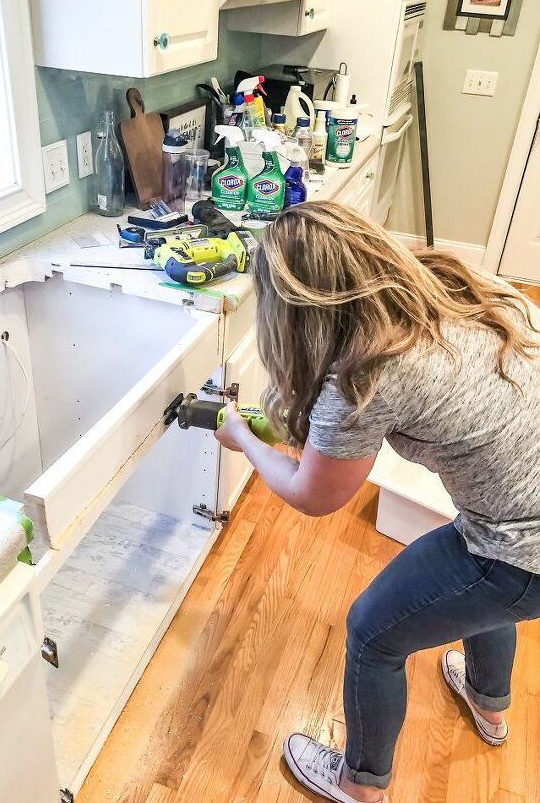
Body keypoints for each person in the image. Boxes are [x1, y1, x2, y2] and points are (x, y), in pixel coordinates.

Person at [214, 201, 540, 803]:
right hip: (521, 524)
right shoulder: (453, 289)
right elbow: (334, 439)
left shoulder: (363, 376)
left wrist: (241, 440)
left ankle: (360, 786)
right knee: (485, 595)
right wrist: (289, 426)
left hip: (523, 553)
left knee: (374, 632)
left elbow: (314, 495)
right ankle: (488, 702)